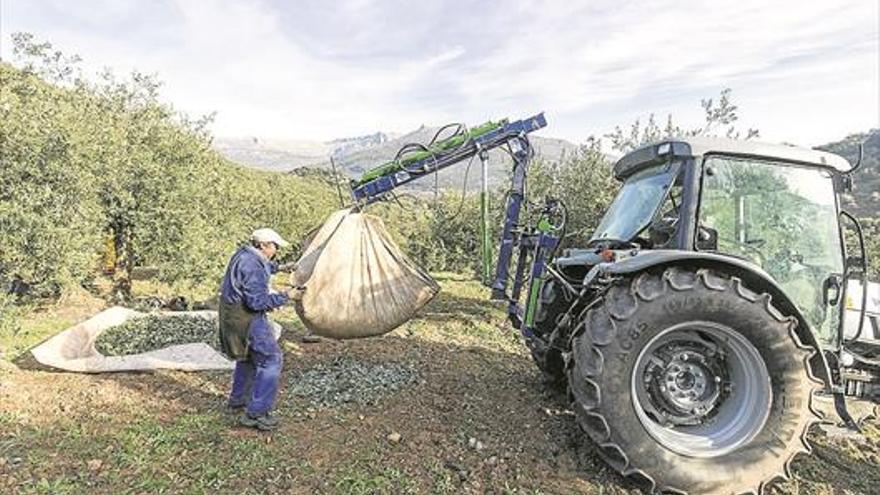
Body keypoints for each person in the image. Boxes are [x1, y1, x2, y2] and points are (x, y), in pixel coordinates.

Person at [218, 228, 301, 430]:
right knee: (271, 359)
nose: (276, 250)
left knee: (247, 357)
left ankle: (238, 400)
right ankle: (256, 413)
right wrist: (287, 296)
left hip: (231, 316)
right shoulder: (251, 264)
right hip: (248, 318)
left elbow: (260, 267)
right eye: (274, 246)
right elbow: (257, 302)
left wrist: (281, 267)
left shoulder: (244, 254)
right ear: (263, 245)